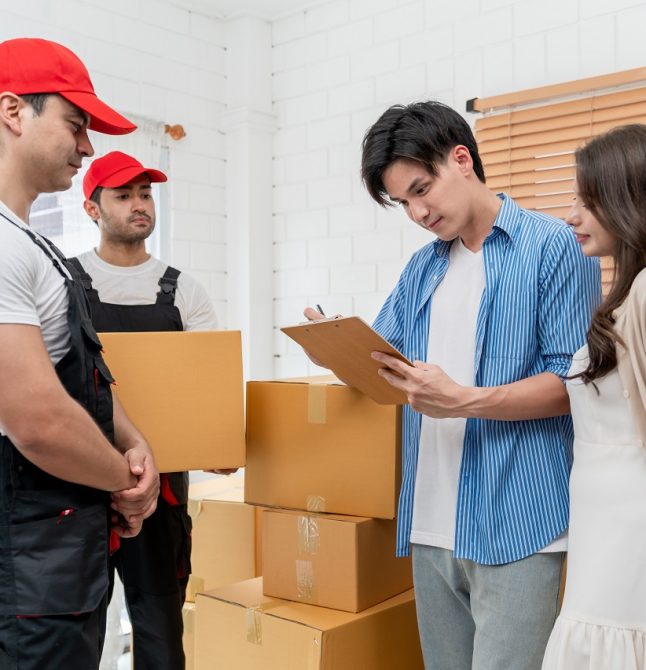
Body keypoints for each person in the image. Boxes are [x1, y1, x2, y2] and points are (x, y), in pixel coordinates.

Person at [305, 100, 600, 670]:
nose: (417, 212)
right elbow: (380, 363)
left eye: (422, 189)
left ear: (461, 159)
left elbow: (574, 385)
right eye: (403, 203)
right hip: (430, 523)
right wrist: (334, 344)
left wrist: (464, 400)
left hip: (518, 521)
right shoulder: (423, 268)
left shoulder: (553, 246)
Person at [0, 37, 160, 669]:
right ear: (14, 112)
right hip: (28, 565)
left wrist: (134, 441)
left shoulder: (30, 244)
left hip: (62, 556)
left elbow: (78, 379)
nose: (88, 147)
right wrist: (128, 483)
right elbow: (37, 419)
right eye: (75, 125)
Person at [73, 151, 220, 669]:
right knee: (81, 628)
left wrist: (217, 444)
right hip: (79, 478)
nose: (139, 205)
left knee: (159, 629)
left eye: (145, 194)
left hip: (163, 486)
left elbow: (208, 385)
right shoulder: (67, 284)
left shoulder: (183, 291)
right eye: (123, 195)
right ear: (92, 208)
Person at [541, 124, 646, 669]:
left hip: (629, 525)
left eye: (589, 202)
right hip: (604, 518)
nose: (572, 216)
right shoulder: (627, 291)